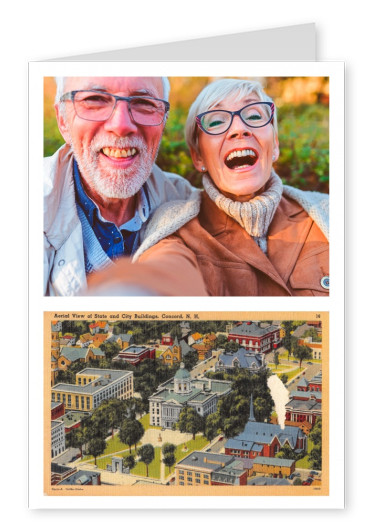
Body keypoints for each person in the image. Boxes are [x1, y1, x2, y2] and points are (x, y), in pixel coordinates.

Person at [87, 78, 329, 296]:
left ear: (274, 144)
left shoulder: (328, 213)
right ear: (198, 157)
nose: (239, 129)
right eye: (216, 121)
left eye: (254, 116)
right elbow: (165, 271)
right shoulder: (177, 229)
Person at [44, 76, 200, 296]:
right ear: (62, 120)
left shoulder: (187, 204)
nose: (121, 126)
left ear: (163, 121)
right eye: (95, 99)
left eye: (143, 103)